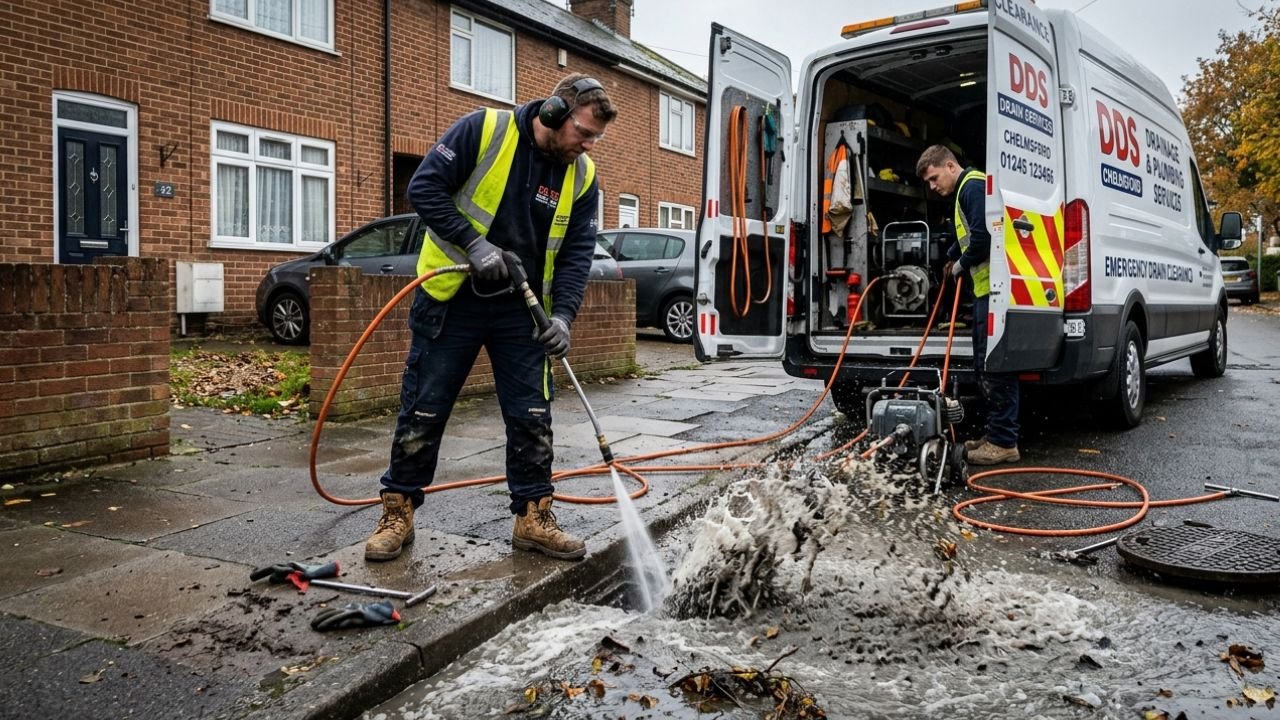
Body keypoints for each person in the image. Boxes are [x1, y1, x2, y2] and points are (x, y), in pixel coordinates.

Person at [365, 74, 617, 563]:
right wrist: (474, 243)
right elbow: (425, 187)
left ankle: (533, 516)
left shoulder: (581, 176)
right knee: (424, 407)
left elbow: (576, 254)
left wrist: (562, 317)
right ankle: (398, 512)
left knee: (531, 416)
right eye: (583, 133)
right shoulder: (484, 131)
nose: (587, 146)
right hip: (452, 295)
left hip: (522, 311)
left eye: (595, 139)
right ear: (552, 113)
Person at [916, 145, 1020, 465]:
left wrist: (960, 264)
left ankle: (1004, 443)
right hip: (984, 292)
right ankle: (996, 435)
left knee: (994, 369)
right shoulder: (966, 191)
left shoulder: (971, 187)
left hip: (993, 293)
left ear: (950, 166)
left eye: (934, 178)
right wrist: (950, 256)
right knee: (983, 367)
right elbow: (967, 235)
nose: (933, 187)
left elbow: (983, 238)